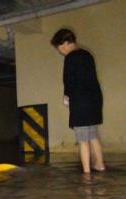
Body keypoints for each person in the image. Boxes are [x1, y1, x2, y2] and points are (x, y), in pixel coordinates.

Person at [50, 28, 105, 173]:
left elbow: (69, 80)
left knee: (82, 139)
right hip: (95, 99)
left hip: (81, 100)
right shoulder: (88, 55)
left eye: (60, 47)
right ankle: (100, 164)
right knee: (93, 135)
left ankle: (87, 173)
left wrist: (66, 96)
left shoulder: (71, 57)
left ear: (66, 43)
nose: (60, 51)